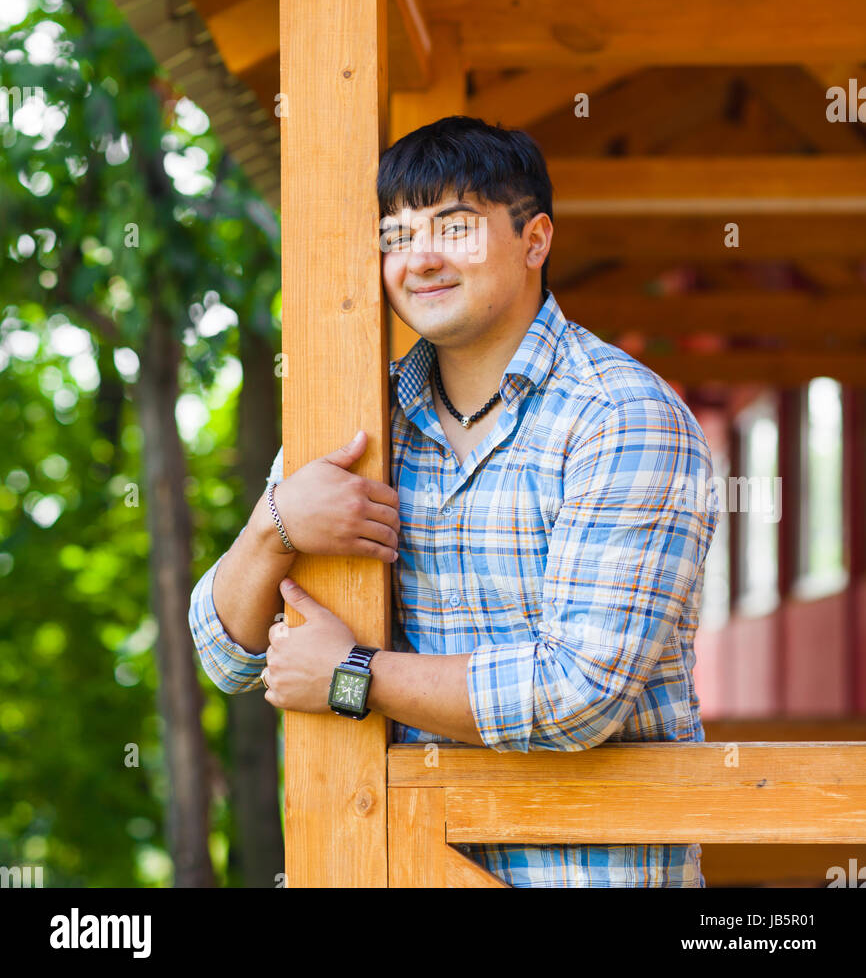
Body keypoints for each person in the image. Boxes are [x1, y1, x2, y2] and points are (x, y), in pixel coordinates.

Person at [189, 115, 719, 887]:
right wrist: (276, 528)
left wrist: (354, 674)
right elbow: (227, 656)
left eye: (455, 226)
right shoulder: (360, 423)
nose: (420, 257)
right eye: (396, 235)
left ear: (535, 240)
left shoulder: (621, 416)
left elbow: (579, 692)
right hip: (405, 864)